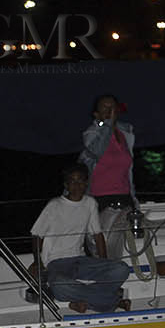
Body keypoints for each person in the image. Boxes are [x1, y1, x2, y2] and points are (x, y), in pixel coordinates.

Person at [31, 165, 131, 314]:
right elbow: (36, 234)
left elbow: (97, 235)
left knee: (121, 269)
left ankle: (83, 302)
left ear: (86, 184)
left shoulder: (90, 203)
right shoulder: (55, 205)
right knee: (59, 286)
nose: (76, 185)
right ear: (66, 185)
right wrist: (37, 262)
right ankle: (112, 302)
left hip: (80, 260)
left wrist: (104, 263)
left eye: (80, 181)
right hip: (56, 262)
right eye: (72, 181)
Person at [79, 93, 137, 262]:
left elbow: (128, 169)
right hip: (98, 198)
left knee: (122, 245)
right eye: (104, 107)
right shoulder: (91, 133)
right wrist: (107, 125)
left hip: (124, 196)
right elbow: (96, 150)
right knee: (97, 246)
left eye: (112, 106)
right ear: (96, 113)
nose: (109, 109)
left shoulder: (126, 132)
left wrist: (134, 198)